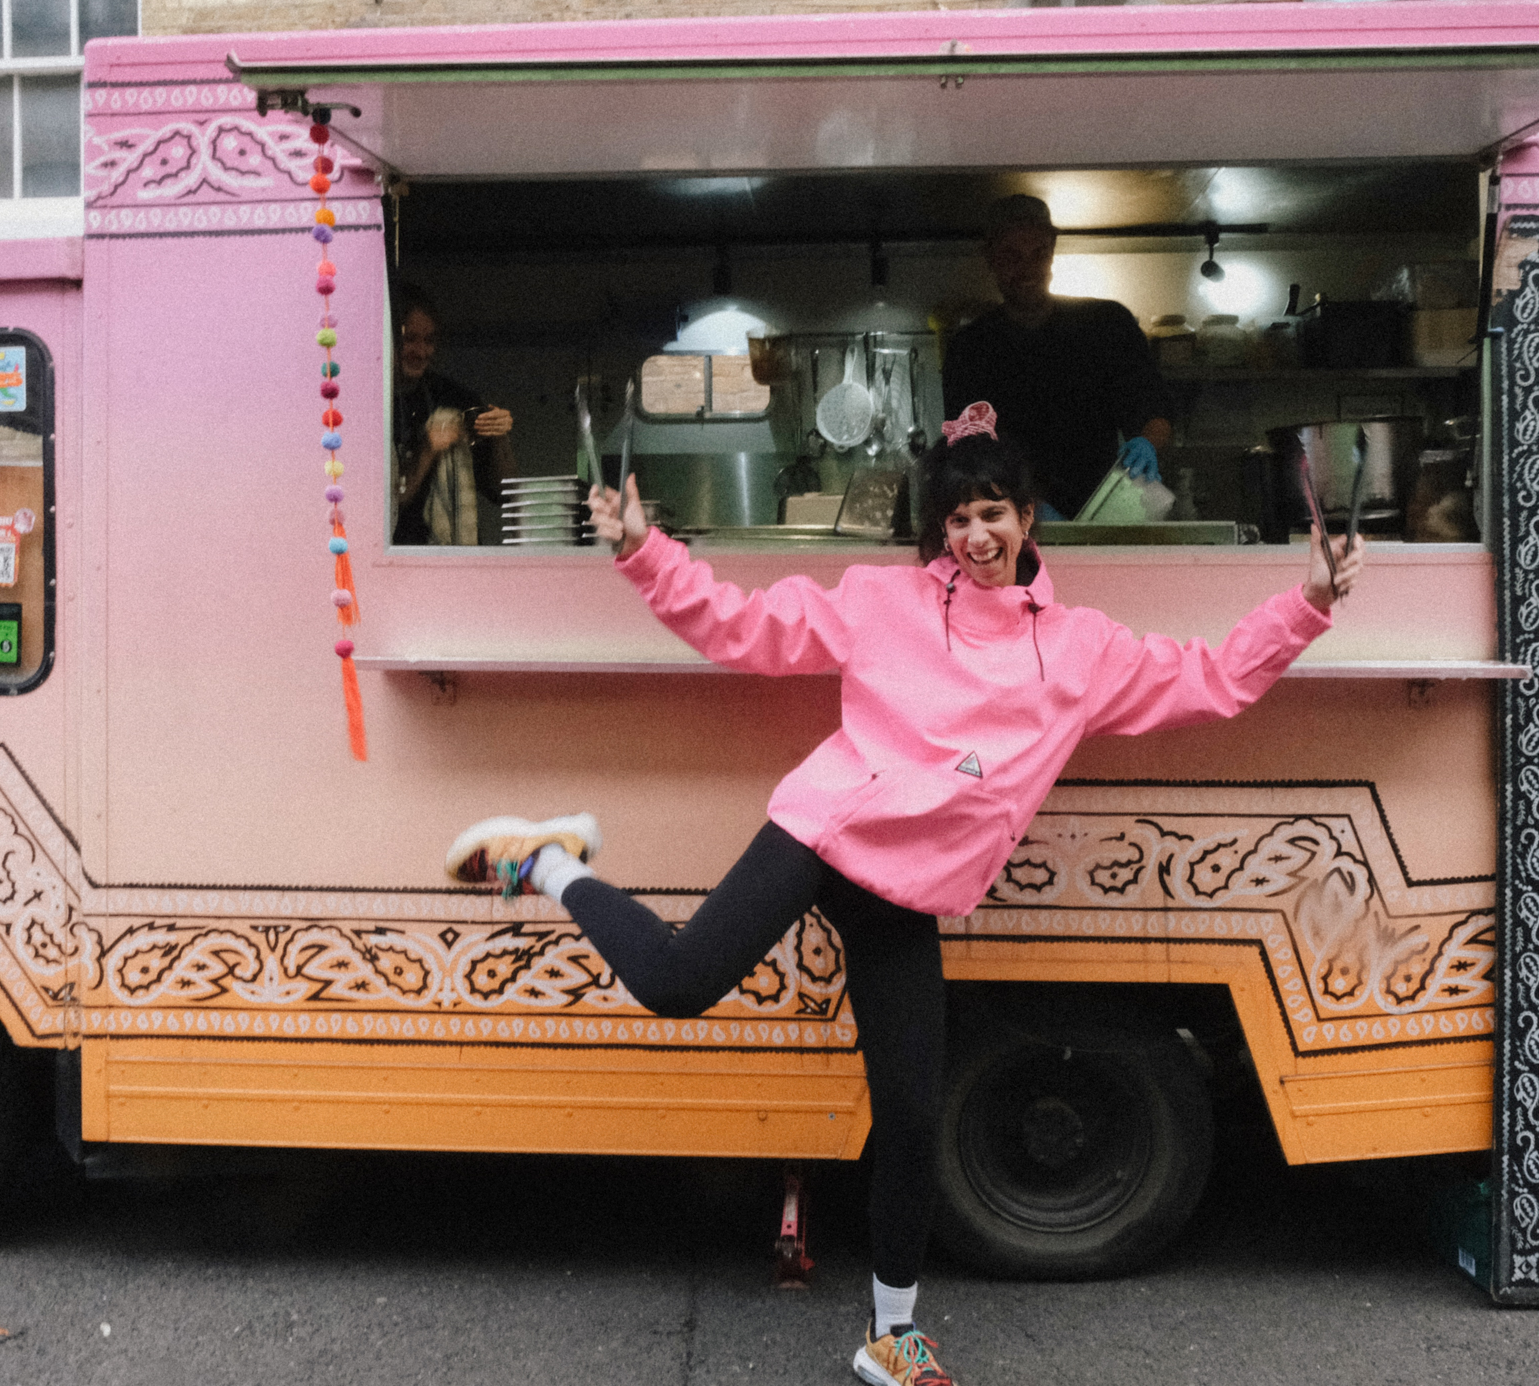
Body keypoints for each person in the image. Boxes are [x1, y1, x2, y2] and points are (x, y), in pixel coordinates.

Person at [439, 402, 1361, 1386]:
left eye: (994, 513)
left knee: (914, 1117)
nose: (976, 536)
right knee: (676, 982)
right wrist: (642, 550)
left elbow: (1210, 679)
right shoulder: (886, 602)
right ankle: (553, 863)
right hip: (827, 833)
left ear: (1029, 519)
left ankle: (893, 1335)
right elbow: (747, 629)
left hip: (910, 889)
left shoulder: (1081, 650)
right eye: (958, 519)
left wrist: (1306, 603)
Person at [942, 194, 1175, 521]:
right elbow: (968, 453)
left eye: (1039, 254)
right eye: (1012, 256)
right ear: (990, 258)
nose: (1027, 269)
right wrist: (1025, 505)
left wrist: (1146, 444)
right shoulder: (970, 348)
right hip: (1015, 524)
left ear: (1052, 251)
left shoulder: (1107, 324)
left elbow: (1153, 411)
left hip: (1103, 517)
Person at [388, 284, 516, 544]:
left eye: (429, 341)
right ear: (388, 339)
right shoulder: (367, 405)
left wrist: (499, 436)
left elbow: (506, 493)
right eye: (409, 339)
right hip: (393, 554)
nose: (420, 352)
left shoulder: (454, 399)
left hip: (451, 557)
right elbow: (386, 502)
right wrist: (428, 448)